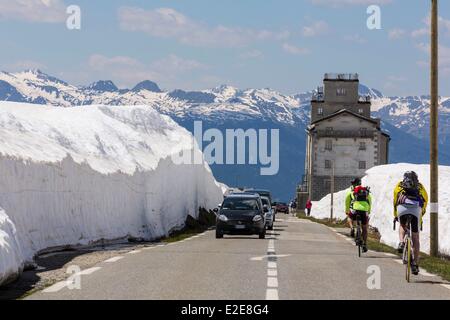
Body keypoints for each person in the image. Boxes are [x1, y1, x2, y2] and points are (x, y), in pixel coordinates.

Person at [393, 171, 428, 275]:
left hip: (402, 209)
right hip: (416, 210)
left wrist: (396, 215)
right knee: (416, 238)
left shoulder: (399, 185)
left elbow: (395, 201)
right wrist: (421, 214)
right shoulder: (420, 186)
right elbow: (425, 200)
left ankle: (401, 242)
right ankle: (415, 265)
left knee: (402, 225)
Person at [345, 178, 372, 253]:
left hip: (355, 209)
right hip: (364, 210)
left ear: (353, 184)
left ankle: (352, 227)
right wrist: (368, 211)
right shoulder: (365, 191)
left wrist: (347, 210)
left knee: (349, 217)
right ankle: (365, 244)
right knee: (365, 228)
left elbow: (347, 201)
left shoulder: (352, 192)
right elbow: (369, 201)